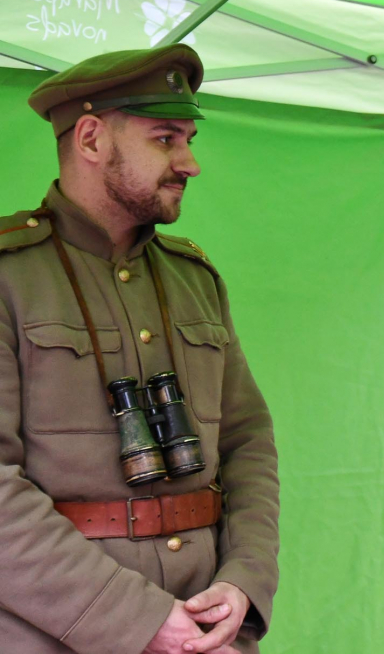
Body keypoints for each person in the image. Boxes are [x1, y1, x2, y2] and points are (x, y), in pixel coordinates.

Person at [0, 45, 280, 654]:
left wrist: (244, 582)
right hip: (53, 634)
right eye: (165, 139)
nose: (190, 162)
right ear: (93, 139)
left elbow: (247, 443)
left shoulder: (193, 278)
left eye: (188, 138)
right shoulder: (9, 276)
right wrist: (135, 619)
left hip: (210, 634)